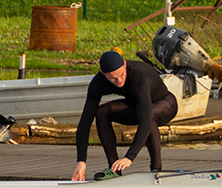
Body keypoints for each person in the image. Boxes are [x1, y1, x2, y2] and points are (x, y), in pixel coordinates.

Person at [72, 50, 178, 181]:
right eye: (112, 78)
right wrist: (81, 161)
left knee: (149, 115)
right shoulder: (98, 83)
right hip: (137, 105)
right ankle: (114, 169)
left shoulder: (139, 77)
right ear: (102, 73)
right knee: (102, 112)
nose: (118, 81)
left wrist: (129, 157)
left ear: (125, 65)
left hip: (166, 104)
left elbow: (145, 122)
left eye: (121, 75)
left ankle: (156, 169)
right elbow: (85, 122)